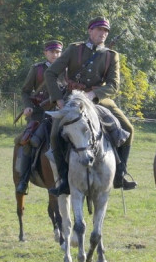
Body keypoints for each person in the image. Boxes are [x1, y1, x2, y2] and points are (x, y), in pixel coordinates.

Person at [42, 17, 137, 195]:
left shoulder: (111, 55)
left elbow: (113, 85)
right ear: (90, 31)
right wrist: (59, 100)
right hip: (72, 98)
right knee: (55, 133)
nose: (103, 34)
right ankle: (63, 179)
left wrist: (94, 94)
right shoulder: (74, 49)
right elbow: (50, 73)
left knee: (128, 128)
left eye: (106, 31)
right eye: (99, 30)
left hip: (97, 99)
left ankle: (120, 174)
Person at [16, 40, 63, 194]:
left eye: (58, 52)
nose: (55, 55)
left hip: (61, 113)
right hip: (39, 114)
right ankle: (24, 179)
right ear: (46, 53)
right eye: (52, 52)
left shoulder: (67, 69)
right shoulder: (37, 70)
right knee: (29, 140)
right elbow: (25, 91)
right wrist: (28, 106)